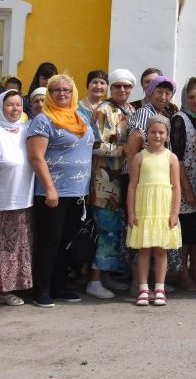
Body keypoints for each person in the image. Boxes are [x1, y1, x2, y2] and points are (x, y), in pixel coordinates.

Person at [26, 73, 96, 307]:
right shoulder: (43, 119)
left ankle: (59, 285)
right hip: (53, 193)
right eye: (56, 90)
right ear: (49, 93)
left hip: (78, 192)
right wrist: (49, 188)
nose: (62, 94)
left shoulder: (81, 117)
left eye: (66, 90)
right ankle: (42, 289)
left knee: (67, 241)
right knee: (50, 241)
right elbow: (36, 157)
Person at [129, 75, 196, 291]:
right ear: (150, 91)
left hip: (159, 188)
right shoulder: (144, 114)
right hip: (143, 183)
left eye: (168, 93)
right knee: (144, 241)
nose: (163, 96)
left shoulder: (162, 115)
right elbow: (135, 145)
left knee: (157, 240)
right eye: (159, 91)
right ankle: (138, 284)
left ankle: (156, 283)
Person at [0, 89, 36, 308]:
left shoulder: (27, 130)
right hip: (0, 201)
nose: (14, 109)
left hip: (23, 200)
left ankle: (6, 289)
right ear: (0, 107)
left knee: (15, 249)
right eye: (9, 105)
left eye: (18, 105)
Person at [85, 68, 135, 298]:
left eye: (126, 86)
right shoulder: (102, 111)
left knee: (116, 230)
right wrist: (127, 150)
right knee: (105, 229)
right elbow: (96, 146)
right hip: (105, 180)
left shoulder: (132, 110)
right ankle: (94, 281)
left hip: (124, 179)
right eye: (117, 86)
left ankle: (107, 275)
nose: (122, 90)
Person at [126, 116, 183, 306]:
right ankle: (143, 288)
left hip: (163, 209)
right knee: (143, 250)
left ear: (167, 135)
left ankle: (159, 287)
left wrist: (174, 213)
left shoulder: (171, 158)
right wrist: (131, 212)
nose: (157, 136)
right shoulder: (139, 157)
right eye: (153, 132)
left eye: (161, 132)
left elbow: (176, 187)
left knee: (160, 251)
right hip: (144, 209)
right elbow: (132, 186)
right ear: (147, 134)